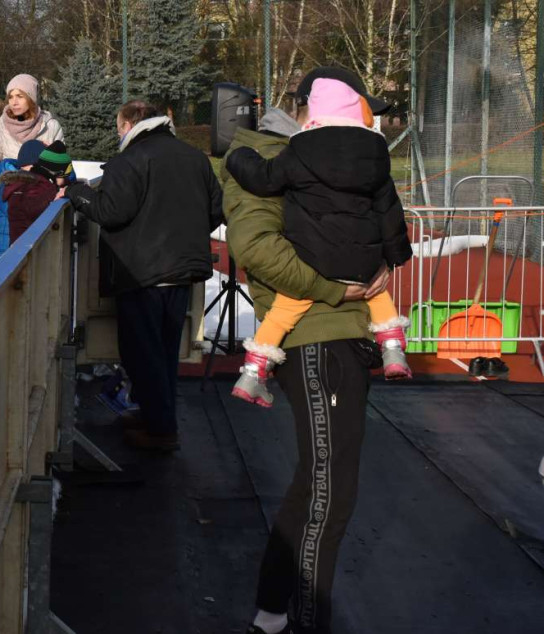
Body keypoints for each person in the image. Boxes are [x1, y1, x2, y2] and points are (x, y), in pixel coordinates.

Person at [220, 67, 393, 634]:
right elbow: (255, 248)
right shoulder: (265, 158)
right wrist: (334, 287)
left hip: (346, 329)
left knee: (315, 481)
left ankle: (273, 613)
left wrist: (384, 258)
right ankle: (307, 621)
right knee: (331, 486)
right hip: (314, 333)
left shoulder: (325, 155)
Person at [225, 76, 414, 408]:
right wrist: (394, 257)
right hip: (362, 264)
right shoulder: (375, 156)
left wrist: (238, 157)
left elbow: (264, 178)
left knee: (282, 313)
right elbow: (389, 211)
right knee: (378, 292)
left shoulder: (299, 151)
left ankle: (253, 372)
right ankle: (394, 350)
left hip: (314, 257)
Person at [63, 101, 223, 452]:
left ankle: (162, 430)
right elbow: (215, 211)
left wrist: (76, 193)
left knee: (142, 354)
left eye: (119, 127)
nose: (118, 134)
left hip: (142, 273)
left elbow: (109, 211)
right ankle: (157, 418)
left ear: (129, 125)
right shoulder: (194, 157)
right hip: (182, 272)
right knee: (164, 353)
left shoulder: (129, 160)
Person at [0, 74, 65, 262]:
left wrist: (42, 167)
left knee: (41, 264)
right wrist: (5, 171)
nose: (14, 102)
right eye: (10, 96)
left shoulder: (51, 127)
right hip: (7, 205)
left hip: (42, 203)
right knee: (4, 262)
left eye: (20, 96)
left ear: (31, 98)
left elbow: (61, 166)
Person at [3, 140, 73, 244]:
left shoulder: (34, 182)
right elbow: (32, 208)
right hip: (27, 249)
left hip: (26, 246)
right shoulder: (29, 185)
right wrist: (54, 192)